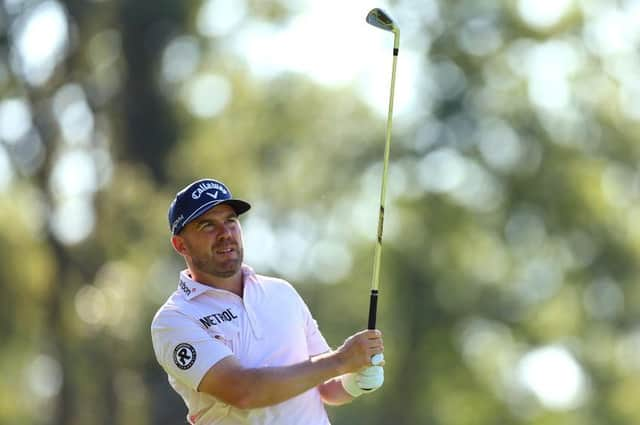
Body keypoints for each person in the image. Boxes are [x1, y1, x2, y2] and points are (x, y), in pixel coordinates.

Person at [151, 178, 385, 425]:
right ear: (180, 245)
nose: (225, 234)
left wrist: (355, 380)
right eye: (207, 226)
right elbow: (243, 392)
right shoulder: (174, 319)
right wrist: (341, 360)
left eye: (230, 221)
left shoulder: (281, 292)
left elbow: (326, 388)